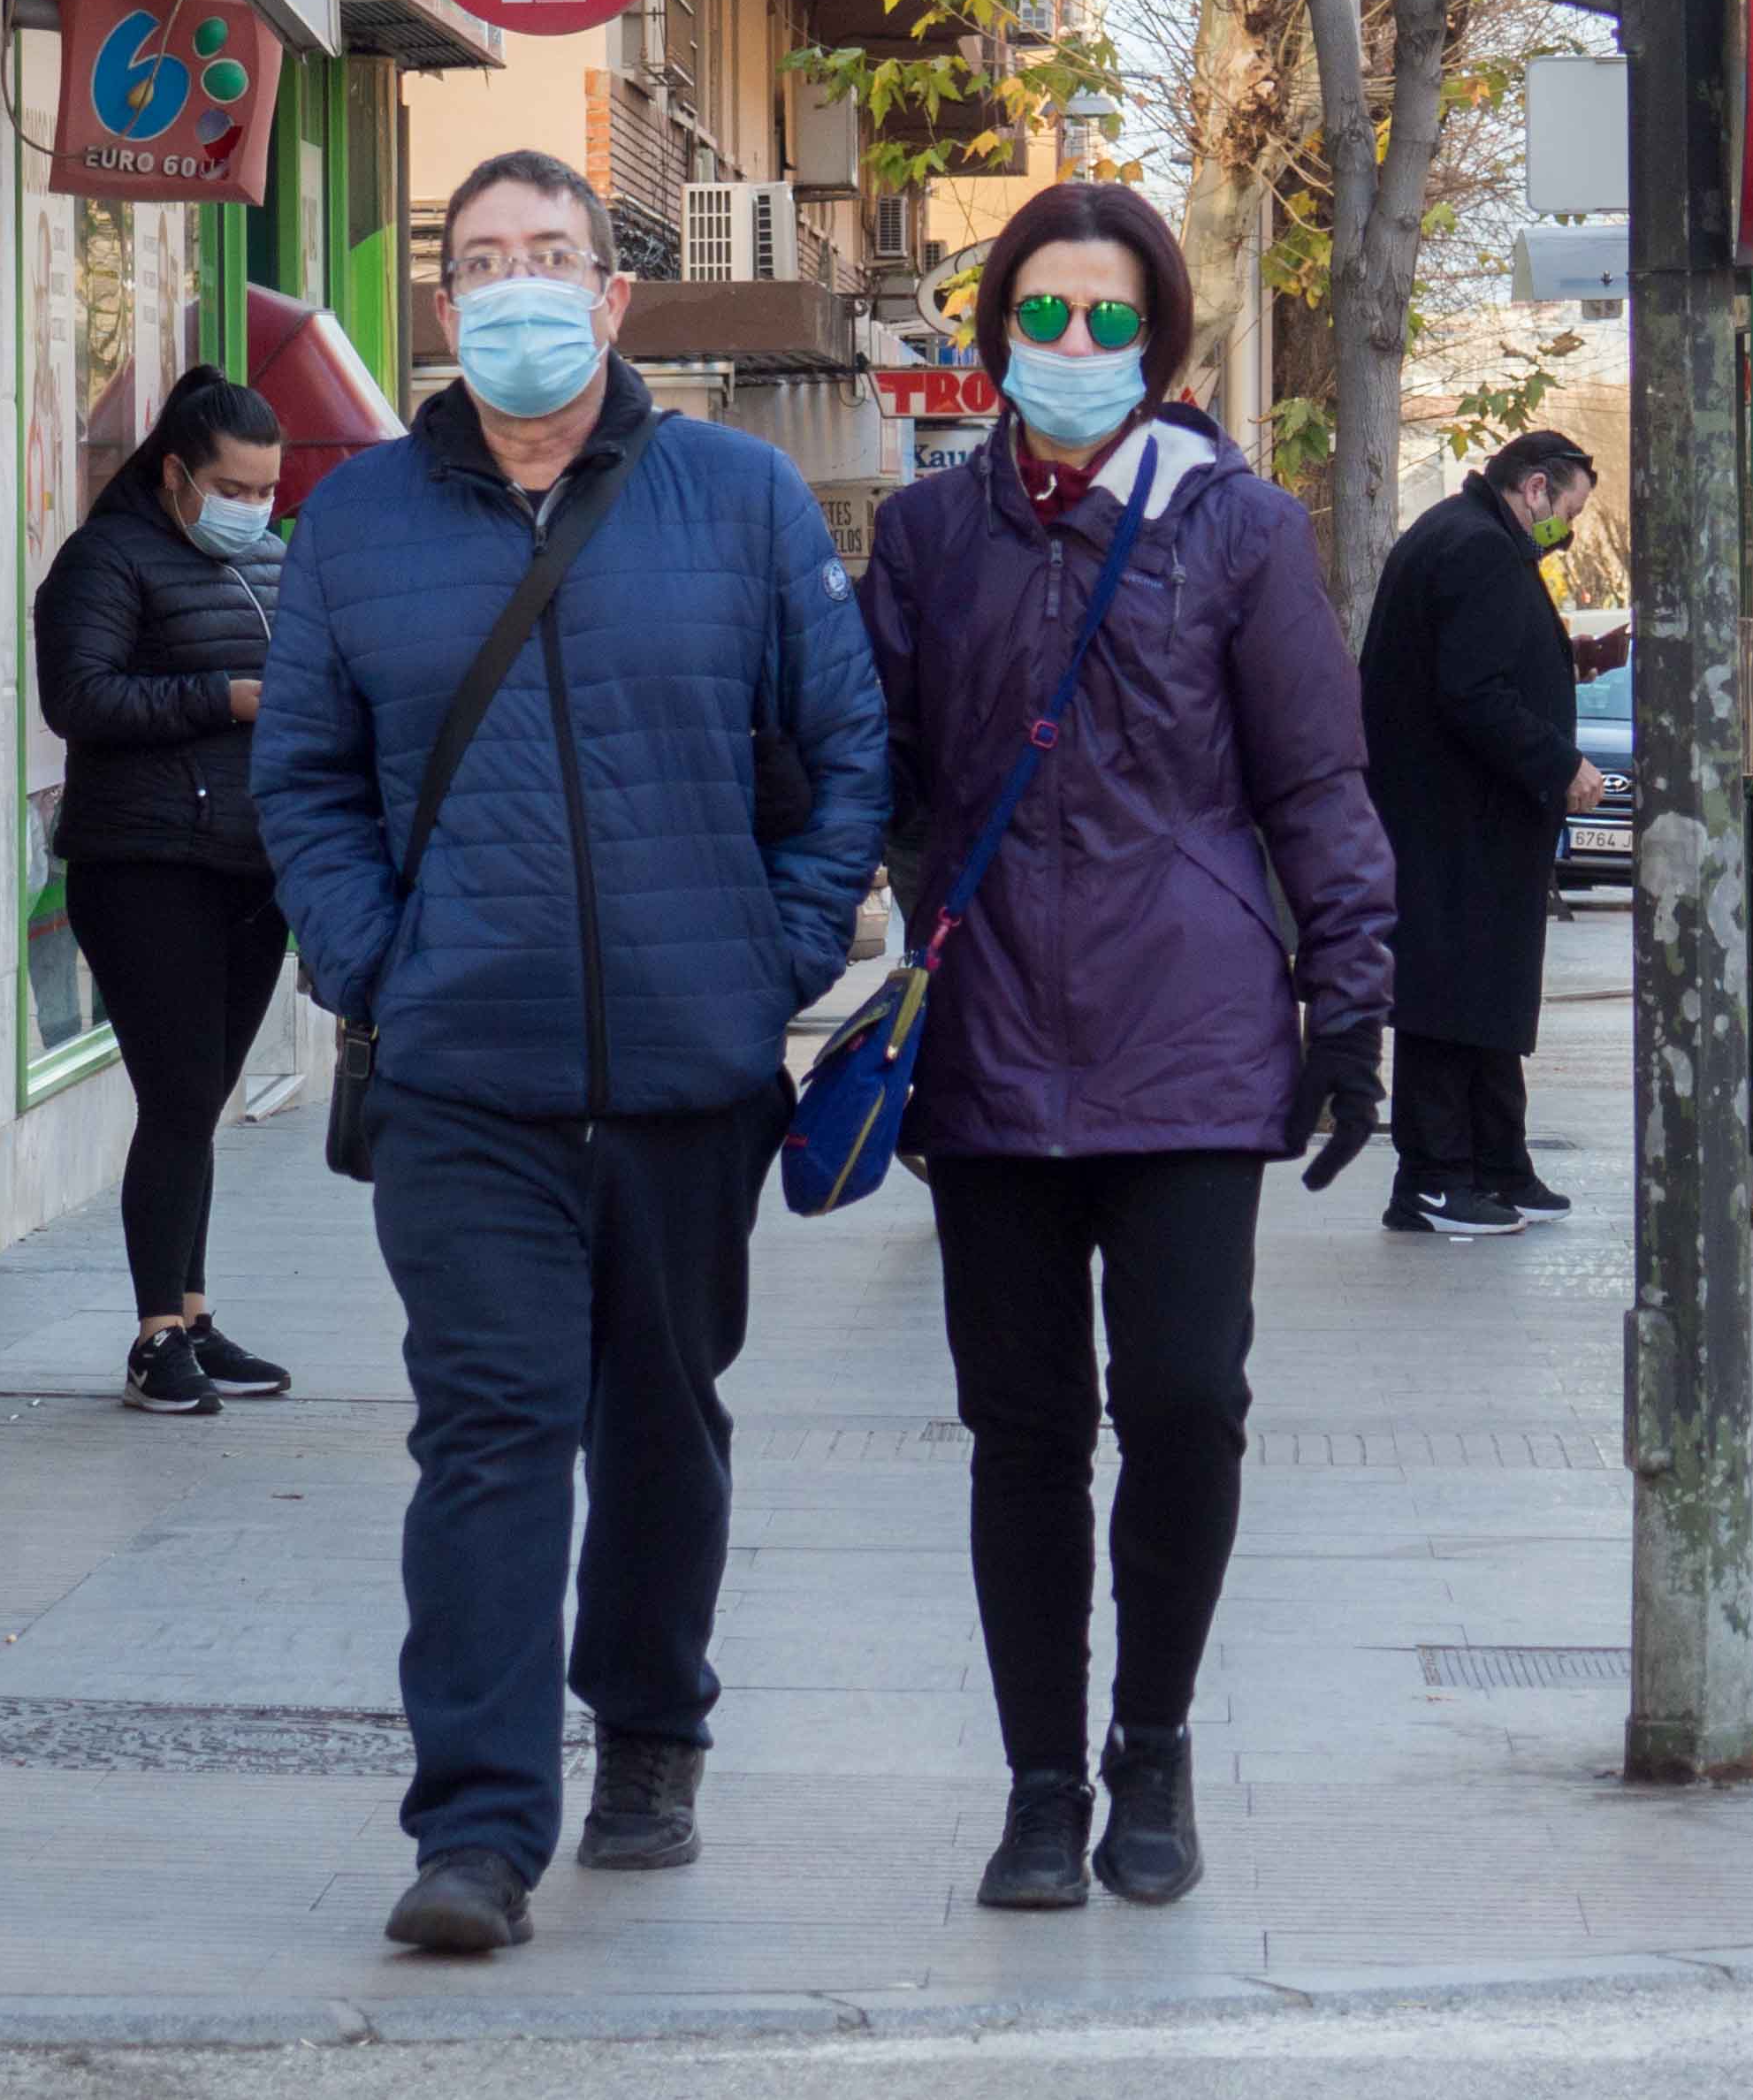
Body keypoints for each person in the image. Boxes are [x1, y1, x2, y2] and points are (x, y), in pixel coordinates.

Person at [252, 149, 890, 1955]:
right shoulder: (361, 520)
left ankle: (654, 1723)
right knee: (490, 1431)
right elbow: (300, 775)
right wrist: (374, 962)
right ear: (444, 304)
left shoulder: (740, 497)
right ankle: (472, 1823)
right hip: (465, 1077)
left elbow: (844, 748)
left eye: (551, 256)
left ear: (612, 297)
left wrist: (771, 952)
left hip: (692, 1078)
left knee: (662, 1423)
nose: (517, 286)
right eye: (482, 261)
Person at [859, 180, 1395, 1914]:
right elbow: (868, 784)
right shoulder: (930, 539)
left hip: (1189, 1037)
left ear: (1154, 339)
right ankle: (1034, 1781)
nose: (1073, 345)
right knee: (1020, 1426)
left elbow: (1313, 777)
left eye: (1108, 319)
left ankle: (1147, 1748)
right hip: (992, 1038)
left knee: (1180, 1400)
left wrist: (1354, 994)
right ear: (995, 330)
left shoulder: (1235, 529)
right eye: (1044, 313)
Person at [31, 366, 301, 1416]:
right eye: (235, 487)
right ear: (179, 473)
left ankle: (191, 1311)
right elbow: (78, 697)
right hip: (145, 867)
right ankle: (154, 1337)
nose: (254, 508)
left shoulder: (271, 564)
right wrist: (224, 697)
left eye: (268, 489)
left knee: (202, 1103)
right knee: (179, 1099)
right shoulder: (105, 558)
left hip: (252, 866)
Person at [1358, 430, 1619, 1236]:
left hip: (1466, 820)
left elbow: (1481, 659)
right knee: (1451, 995)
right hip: (1452, 821)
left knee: (1488, 992)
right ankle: (1433, 1179)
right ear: (1535, 488)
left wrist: (1569, 656)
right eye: (1567, 510)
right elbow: (1471, 691)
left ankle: (1497, 1164)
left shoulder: (1469, 535)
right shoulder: (1474, 548)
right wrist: (1560, 765)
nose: (1567, 530)